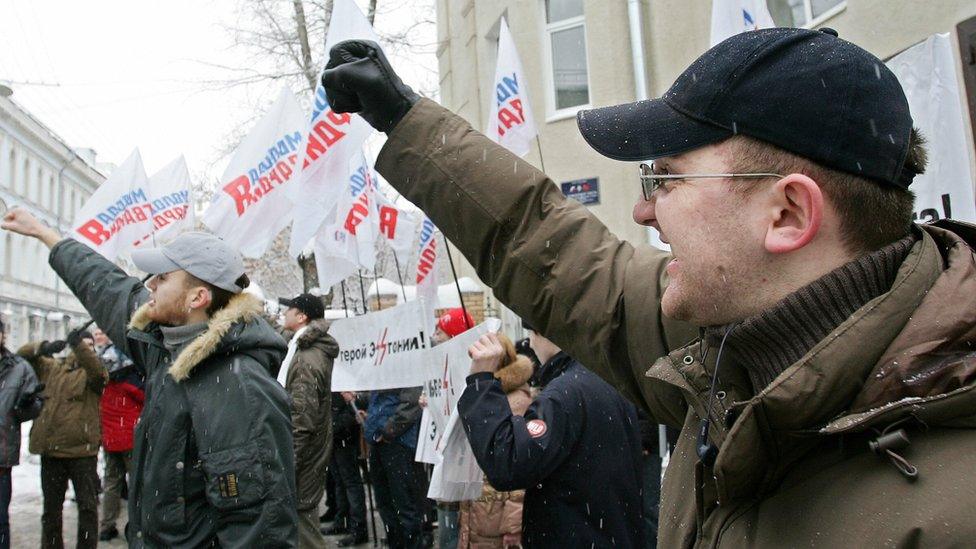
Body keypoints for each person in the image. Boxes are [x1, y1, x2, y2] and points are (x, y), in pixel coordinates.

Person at [320, 28, 976, 546]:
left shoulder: (953, 511)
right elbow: (552, 248)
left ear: (787, 214)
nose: (643, 211)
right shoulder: (723, 343)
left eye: (666, 178)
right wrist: (406, 120)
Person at [0, 216, 298, 548]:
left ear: (197, 298)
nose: (150, 284)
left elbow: (260, 529)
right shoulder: (165, 347)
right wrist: (48, 236)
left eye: (163, 277)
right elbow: (109, 287)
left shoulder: (243, 387)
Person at [462, 327, 643, 546]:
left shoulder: (563, 394)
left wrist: (481, 381)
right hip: (607, 534)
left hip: (578, 535)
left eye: (531, 334)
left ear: (543, 332)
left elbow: (508, 463)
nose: (530, 343)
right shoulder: (603, 379)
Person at [20, 329, 106, 549]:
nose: (85, 348)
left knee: (87, 508)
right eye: (81, 344)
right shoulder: (52, 368)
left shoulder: (94, 372)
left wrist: (79, 345)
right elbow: (22, 356)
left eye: (89, 345)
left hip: (82, 454)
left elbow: (97, 372)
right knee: (51, 510)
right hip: (52, 451)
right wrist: (43, 347)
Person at [456, 333, 532, 549]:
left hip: (496, 516)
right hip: (480, 509)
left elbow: (522, 469)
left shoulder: (517, 401)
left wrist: (513, 524)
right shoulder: (482, 396)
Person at [278, 293, 339, 549]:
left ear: (301, 316)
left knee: (304, 526)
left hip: (303, 453)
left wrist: (288, 460)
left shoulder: (306, 358)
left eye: (289, 309)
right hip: (305, 449)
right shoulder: (300, 348)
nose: (284, 313)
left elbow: (302, 418)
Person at [427, 307, 474, 549]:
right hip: (447, 460)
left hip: (464, 462)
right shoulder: (441, 365)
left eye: (441, 331)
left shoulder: (471, 370)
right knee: (448, 526)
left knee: (457, 529)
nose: (435, 336)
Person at [93, 327, 144, 542]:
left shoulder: (104, 382)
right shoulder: (130, 381)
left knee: (112, 483)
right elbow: (145, 397)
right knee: (136, 484)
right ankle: (138, 525)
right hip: (130, 439)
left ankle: (107, 525)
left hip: (110, 439)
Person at [361, 383, 424, 548]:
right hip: (382, 441)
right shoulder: (385, 367)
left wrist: (387, 430)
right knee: (385, 503)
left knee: (403, 504)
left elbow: (411, 403)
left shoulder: (404, 363)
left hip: (398, 443)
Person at [0, 318, 44, 549]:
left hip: (1, 459)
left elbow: (33, 408)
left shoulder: (19, 367)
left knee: (0, 521)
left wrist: (26, 405)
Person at [325, 391, 368, 547]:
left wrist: (338, 425)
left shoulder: (346, 376)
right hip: (334, 431)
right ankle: (342, 521)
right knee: (340, 481)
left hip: (344, 434)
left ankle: (358, 528)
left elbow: (359, 402)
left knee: (350, 482)